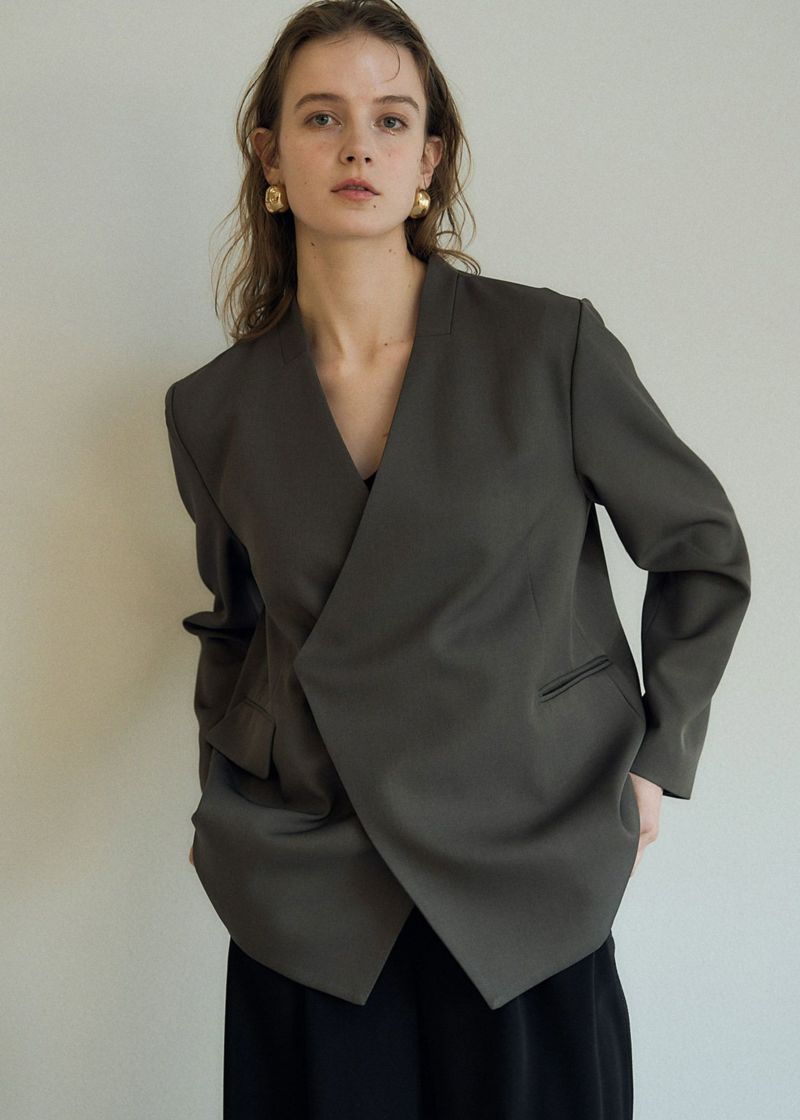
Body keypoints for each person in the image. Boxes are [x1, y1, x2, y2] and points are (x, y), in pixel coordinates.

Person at [163, 2, 751, 1117]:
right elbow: (235, 630)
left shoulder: (546, 346)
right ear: (270, 154)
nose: (357, 146)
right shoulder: (213, 408)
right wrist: (223, 806)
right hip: (315, 892)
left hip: (527, 867)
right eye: (321, 117)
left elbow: (701, 550)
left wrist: (656, 757)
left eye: (391, 120)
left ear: (428, 160)